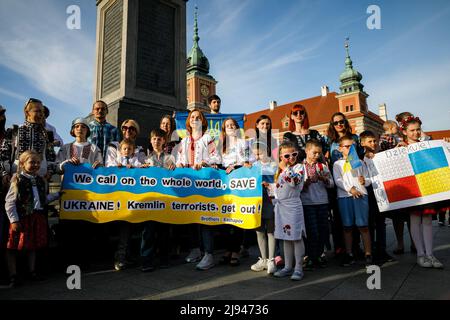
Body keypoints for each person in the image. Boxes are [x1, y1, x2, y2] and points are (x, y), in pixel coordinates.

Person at [5, 150, 62, 287]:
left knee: (33, 247)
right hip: (22, 217)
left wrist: (58, 195)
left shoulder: (40, 180)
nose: (36, 165)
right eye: (32, 162)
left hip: (37, 216)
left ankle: (32, 271)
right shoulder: (17, 179)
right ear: (23, 164)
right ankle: (13, 275)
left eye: (38, 162)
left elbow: (42, 200)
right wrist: (14, 220)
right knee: (13, 246)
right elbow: (9, 202)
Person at [397, 116, 446, 268]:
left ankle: (430, 254)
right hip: (412, 189)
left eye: (418, 129)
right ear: (404, 132)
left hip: (427, 186)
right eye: (412, 130)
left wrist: (445, 145)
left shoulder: (427, 144)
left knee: (427, 220)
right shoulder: (400, 147)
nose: (416, 133)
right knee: (415, 220)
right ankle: (420, 254)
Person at [176, 108, 221, 269]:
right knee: (191, 217)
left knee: (204, 216)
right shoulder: (184, 141)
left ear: (202, 121)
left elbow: (217, 157)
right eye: (192, 117)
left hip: (203, 182)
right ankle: (195, 250)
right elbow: (179, 159)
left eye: (198, 117)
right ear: (188, 121)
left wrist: (205, 162)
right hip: (189, 182)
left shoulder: (207, 138)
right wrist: (179, 163)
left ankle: (209, 254)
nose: (195, 119)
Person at [56, 118, 103, 267]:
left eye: (83, 127)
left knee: (85, 226)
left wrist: (98, 165)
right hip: (70, 191)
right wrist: (66, 163)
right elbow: (57, 167)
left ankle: (84, 260)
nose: (80, 129)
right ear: (73, 130)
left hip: (88, 193)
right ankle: (67, 260)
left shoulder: (94, 148)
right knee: (69, 226)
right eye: (77, 126)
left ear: (87, 130)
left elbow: (101, 166)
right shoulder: (65, 148)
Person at [326, 112, 364, 258]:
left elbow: (360, 157)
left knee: (356, 217)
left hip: (355, 180)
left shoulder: (355, 138)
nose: (339, 125)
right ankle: (340, 247)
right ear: (332, 125)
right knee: (339, 218)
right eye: (335, 123)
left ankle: (356, 246)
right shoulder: (329, 141)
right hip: (339, 183)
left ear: (345, 122)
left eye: (341, 122)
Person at [332, 135, 372, 267]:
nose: (350, 149)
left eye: (352, 146)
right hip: (345, 197)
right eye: (347, 146)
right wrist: (350, 189)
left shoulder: (360, 162)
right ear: (340, 148)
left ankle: (368, 253)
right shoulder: (337, 164)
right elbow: (338, 180)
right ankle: (349, 253)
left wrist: (364, 181)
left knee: (363, 226)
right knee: (347, 227)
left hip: (361, 195)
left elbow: (368, 178)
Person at [140, 128, 176, 272]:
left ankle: (163, 258)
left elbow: (175, 175)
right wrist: (141, 169)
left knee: (164, 231)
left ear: (164, 141)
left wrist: (173, 168)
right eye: (154, 138)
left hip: (165, 199)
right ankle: (146, 260)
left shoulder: (170, 158)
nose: (157, 141)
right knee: (147, 231)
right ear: (150, 140)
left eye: (160, 139)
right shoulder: (145, 158)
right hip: (149, 200)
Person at [273, 142, 306, 281]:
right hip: (282, 207)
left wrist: (285, 169)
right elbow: (279, 187)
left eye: (294, 154)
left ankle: (298, 268)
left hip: (293, 206)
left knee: (296, 237)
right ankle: (288, 266)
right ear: (281, 156)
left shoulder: (299, 167)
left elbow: (294, 182)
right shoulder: (281, 170)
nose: (291, 157)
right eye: (287, 155)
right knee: (286, 238)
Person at [360, 130, 394, 263]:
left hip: (381, 193)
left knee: (381, 222)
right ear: (362, 143)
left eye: (374, 141)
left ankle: (382, 250)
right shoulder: (360, 158)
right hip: (368, 194)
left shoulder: (381, 156)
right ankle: (371, 251)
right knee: (369, 223)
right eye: (370, 141)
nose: (373, 143)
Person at [218, 118, 247, 266]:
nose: (230, 127)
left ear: (236, 128)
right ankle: (228, 250)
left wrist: (235, 166)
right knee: (225, 219)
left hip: (239, 182)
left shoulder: (243, 143)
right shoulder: (221, 145)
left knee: (237, 218)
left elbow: (248, 161)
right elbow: (216, 161)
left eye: (232, 125)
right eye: (227, 126)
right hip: (224, 184)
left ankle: (236, 250)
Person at [301, 140, 334, 270]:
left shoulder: (322, 166)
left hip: (321, 201)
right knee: (311, 231)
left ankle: (319, 254)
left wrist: (324, 179)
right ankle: (309, 256)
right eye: (314, 152)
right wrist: (304, 184)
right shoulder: (300, 167)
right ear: (306, 151)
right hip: (307, 202)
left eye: (319, 153)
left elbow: (331, 183)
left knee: (322, 229)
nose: (316, 155)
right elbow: (296, 186)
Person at [250, 142, 278, 274]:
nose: (257, 156)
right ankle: (263, 258)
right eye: (254, 154)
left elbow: (278, 182)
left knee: (270, 230)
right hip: (256, 201)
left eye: (259, 153)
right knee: (259, 231)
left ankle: (271, 259)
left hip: (269, 200)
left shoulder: (273, 165)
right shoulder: (253, 166)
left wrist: (269, 185)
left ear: (266, 152)